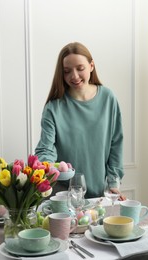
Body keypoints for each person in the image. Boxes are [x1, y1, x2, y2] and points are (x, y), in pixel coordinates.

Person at [35, 42, 126, 200]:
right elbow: (46, 149)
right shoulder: (53, 107)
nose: (74, 76)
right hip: (62, 196)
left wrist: (113, 183)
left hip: (99, 195)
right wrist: (47, 167)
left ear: (91, 66)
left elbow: (116, 144)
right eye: (67, 71)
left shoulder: (108, 98)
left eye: (80, 68)